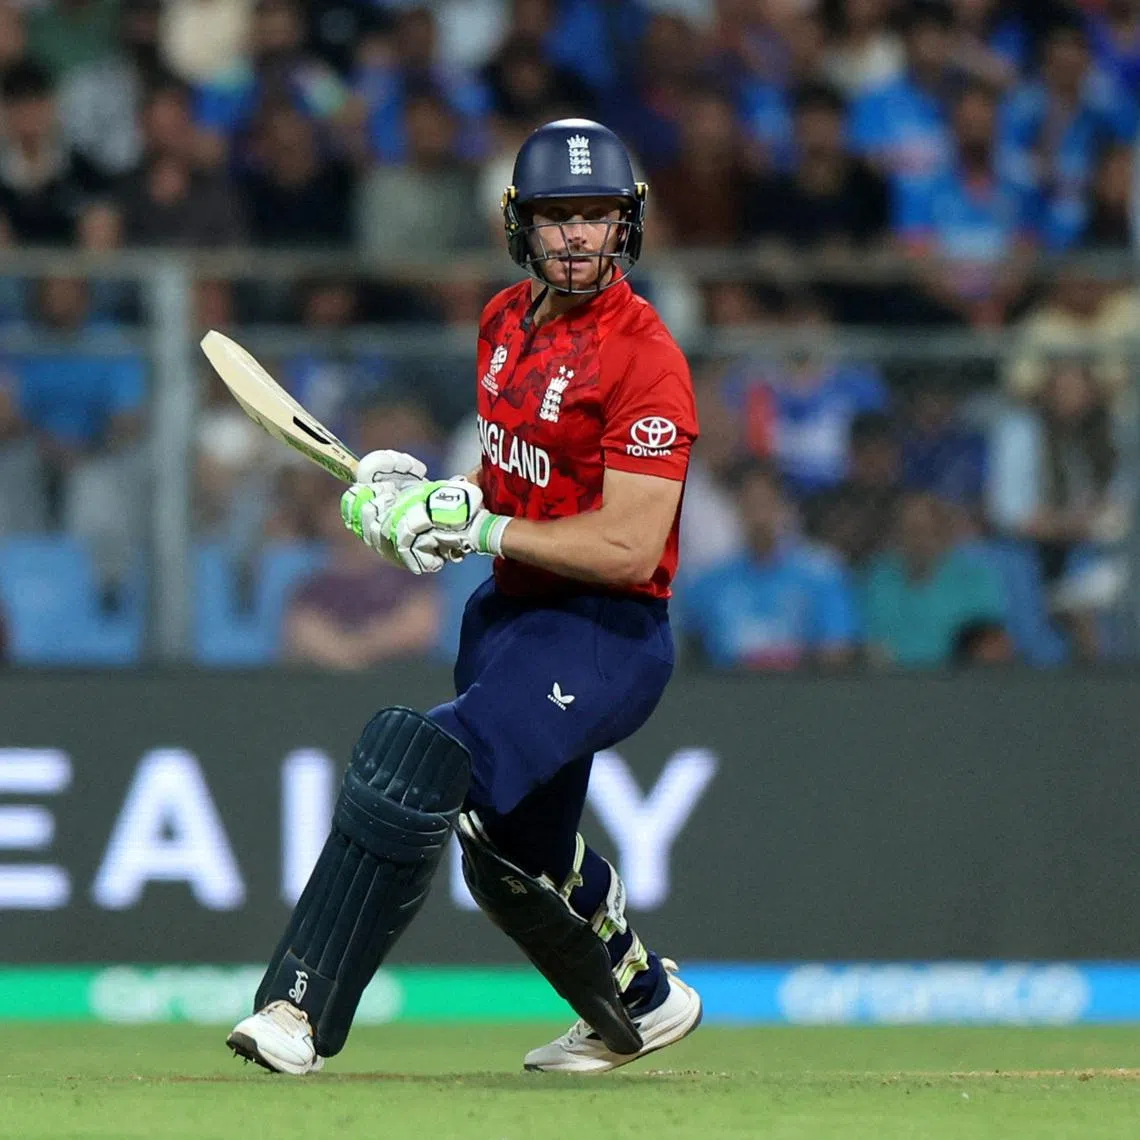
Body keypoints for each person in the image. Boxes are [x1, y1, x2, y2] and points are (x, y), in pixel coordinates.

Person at [227, 118, 702, 1076]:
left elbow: (629, 543)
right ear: (518, 224)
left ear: (629, 225)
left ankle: (299, 1009)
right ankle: (646, 996)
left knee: (418, 758)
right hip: (510, 621)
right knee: (513, 857)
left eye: (597, 216)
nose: (577, 236)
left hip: (603, 633)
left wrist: (476, 529)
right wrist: (422, 499)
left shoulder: (646, 358)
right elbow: (506, 478)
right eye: (557, 216)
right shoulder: (500, 323)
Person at [681, 461, 857, 670]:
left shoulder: (823, 573)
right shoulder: (708, 583)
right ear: (735, 510)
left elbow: (838, 649)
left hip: (804, 694)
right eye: (749, 504)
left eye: (766, 503)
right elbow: (688, 656)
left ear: (785, 507)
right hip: (727, 697)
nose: (759, 517)